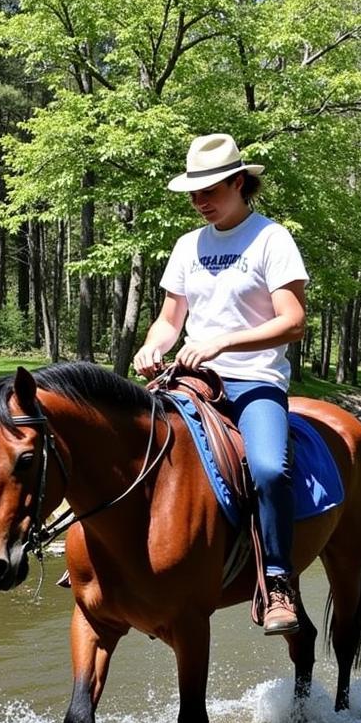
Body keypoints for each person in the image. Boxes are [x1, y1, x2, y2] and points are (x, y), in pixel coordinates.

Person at [133, 133, 309, 635]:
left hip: (254, 380)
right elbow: (170, 320)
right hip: (189, 378)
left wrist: (223, 343)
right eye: (193, 192)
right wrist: (155, 347)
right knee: (125, 442)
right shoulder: (188, 245)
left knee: (270, 470)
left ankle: (278, 580)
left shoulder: (271, 238)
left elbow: (293, 321)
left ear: (238, 181)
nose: (199, 201)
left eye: (209, 190)